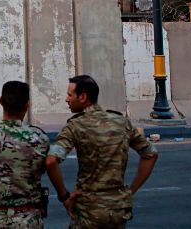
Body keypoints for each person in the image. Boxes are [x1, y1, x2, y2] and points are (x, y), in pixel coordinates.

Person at [46, 74, 159, 229]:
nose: (66, 99)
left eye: (70, 95)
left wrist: (64, 196)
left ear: (83, 97)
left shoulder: (75, 126)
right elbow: (151, 154)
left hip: (89, 210)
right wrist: (131, 191)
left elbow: (51, 161)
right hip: (118, 209)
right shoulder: (121, 122)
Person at [0, 80, 50, 229]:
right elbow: (42, 169)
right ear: (27, 105)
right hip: (29, 218)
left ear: (1, 101)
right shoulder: (40, 138)